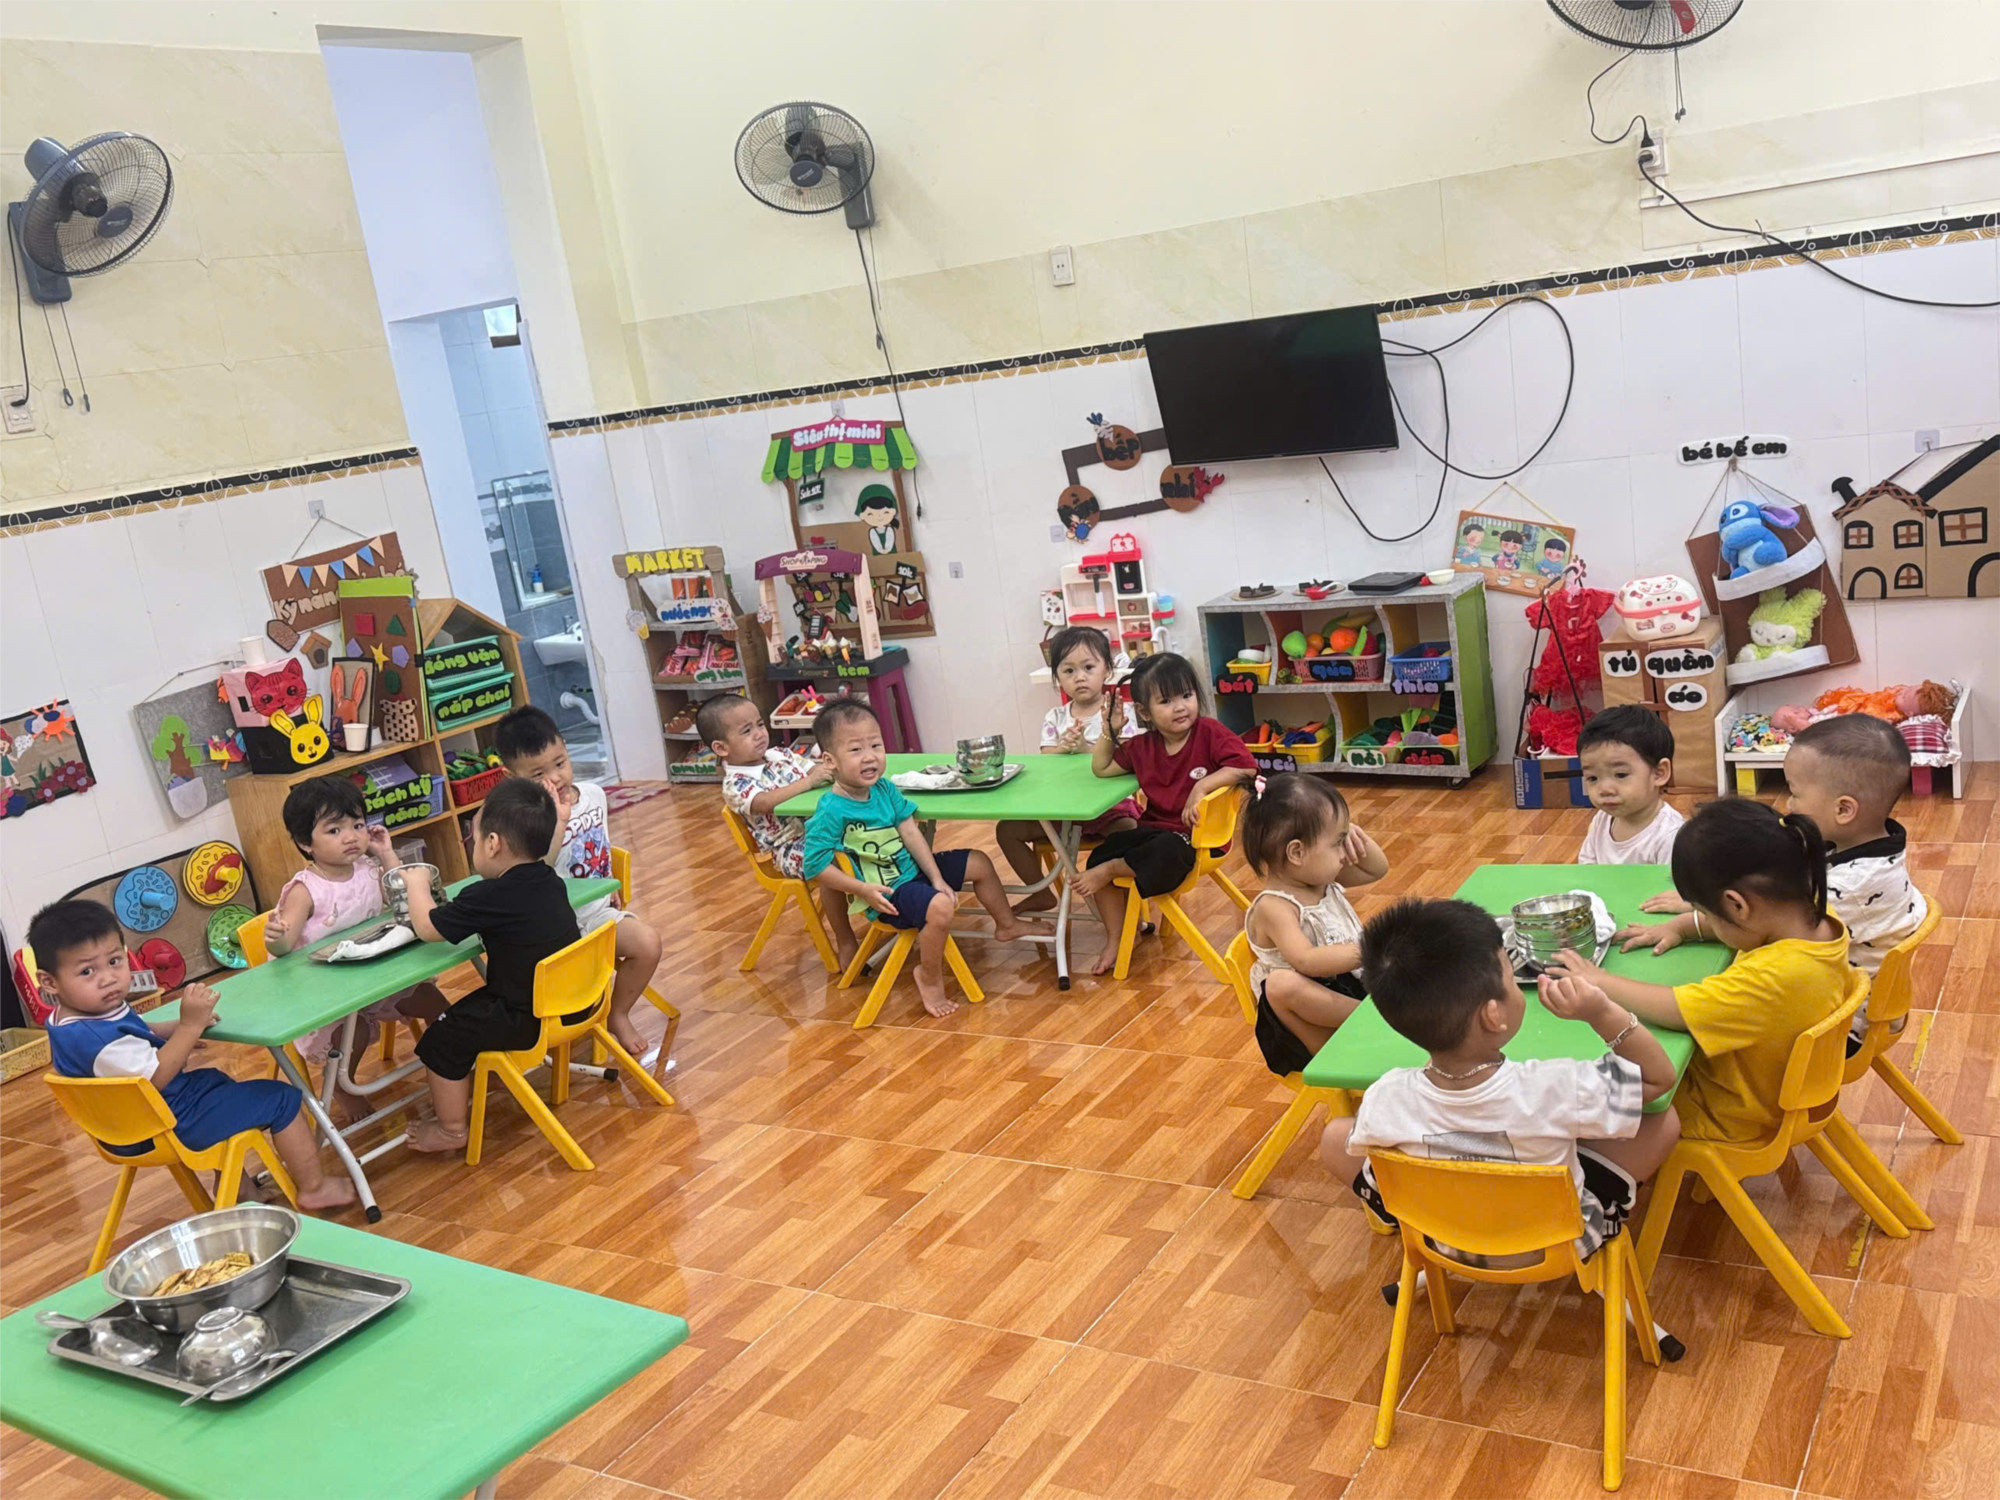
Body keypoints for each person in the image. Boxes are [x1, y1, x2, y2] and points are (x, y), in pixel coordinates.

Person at [1320, 897, 1678, 1263]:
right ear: (1493, 1015)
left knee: (1336, 1136)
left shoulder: (1384, 1097)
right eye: (1511, 977)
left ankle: (1413, 1216)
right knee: (1663, 1121)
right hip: (1555, 1248)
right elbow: (1657, 1079)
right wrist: (1602, 1013)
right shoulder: (1557, 1087)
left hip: (1445, 1241)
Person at [1547, 798, 1848, 1145]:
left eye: (1707, 913)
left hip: (1726, 1112)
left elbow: (1676, 1009)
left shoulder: (1774, 978)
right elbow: (1749, 923)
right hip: (1772, 1091)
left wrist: (1600, 981)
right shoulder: (1816, 919)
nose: (1708, 921)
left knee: (1583, 1098)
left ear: (1736, 905)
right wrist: (1682, 926)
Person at [1623, 713, 1925, 1048]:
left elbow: (1762, 916)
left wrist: (1692, 918)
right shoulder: (1871, 844)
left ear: (1844, 810)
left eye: (1795, 793)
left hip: (1839, 1030)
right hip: (1850, 996)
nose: (1788, 805)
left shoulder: (1847, 890)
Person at [34, 898, 355, 1211]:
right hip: (166, 1125)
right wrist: (189, 1027)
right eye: (87, 972)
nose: (108, 978)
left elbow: (136, 1030)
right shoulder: (96, 1039)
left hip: (133, 1124)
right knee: (283, 1098)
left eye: (115, 961)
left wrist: (175, 1029)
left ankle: (240, 1190)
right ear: (49, 982)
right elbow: (157, 1077)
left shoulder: (73, 1017)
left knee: (215, 1081)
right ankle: (314, 1188)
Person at [801, 699, 1031, 1018]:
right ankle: (930, 977)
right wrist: (861, 889)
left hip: (912, 874)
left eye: (876, 745)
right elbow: (814, 867)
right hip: (887, 894)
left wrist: (936, 877)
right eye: (855, 750)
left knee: (978, 861)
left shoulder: (883, 789)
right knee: (940, 907)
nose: (869, 756)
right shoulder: (830, 810)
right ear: (830, 760)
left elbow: (910, 832)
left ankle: (1007, 925)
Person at [389, 779, 583, 1154]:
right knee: (465, 1017)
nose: (472, 846)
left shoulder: (488, 895)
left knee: (441, 1038)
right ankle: (476, 1079)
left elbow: (428, 928)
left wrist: (415, 882)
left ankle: (451, 1130)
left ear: (493, 844)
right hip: (573, 1003)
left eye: (473, 839)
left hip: (526, 1018)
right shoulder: (548, 878)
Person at [265, 774, 447, 1120]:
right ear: (305, 843)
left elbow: (403, 896)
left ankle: (451, 1059)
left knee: (434, 1002)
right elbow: (284, 947)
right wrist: (276, 937)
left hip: (376, 979)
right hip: (327, 996)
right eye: (334, 830)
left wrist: (387, 853)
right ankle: (341, 1086)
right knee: (356, 1032)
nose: (351, 836)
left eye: (358, 825)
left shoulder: (368, 869)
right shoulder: (306, 890)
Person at [493, 706, 663, 1057]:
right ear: (511, 778)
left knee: (648, 944)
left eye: (559, 763)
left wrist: (608, 881)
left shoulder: (594, 795)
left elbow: (599, 843)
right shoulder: (522, 822)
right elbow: (536, 870)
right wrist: (555, 822)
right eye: (538, 774)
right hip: (552, 931)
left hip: (596, 915)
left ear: (567, 751)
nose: (555, 778)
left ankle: (618, 1013)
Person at [1076, 652, 1257, 976]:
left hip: (1198, 841)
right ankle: (1116, 938)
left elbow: (1247, 768)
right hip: (1155, 834)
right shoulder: (1142, 746)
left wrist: (1201, 787)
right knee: (1101, 854)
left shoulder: (1210, 732)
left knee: (1164, 852)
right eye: (1166, 701)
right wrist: (1108, 728)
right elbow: (1101, 768)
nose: (1180, 707)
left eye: (1186, 695)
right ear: (1144, 712)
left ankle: (1114, 869)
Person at [1240, 775, 1388, 1075]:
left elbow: (1377, 870)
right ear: (1297, 853)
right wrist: (1368, 949)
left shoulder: (1321, 878)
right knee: (1280, 985)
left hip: (1348, 990)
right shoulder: (1274, 907)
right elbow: (1306, 961)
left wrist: (1352, 833)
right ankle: (1382, 1019)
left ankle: (1383, 1017)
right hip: (1312, 1032)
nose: (1344, 852)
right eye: (1337, 844)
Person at [704, 691, 858, 968]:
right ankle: (846, 940)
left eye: (760, 724)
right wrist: (807, 783)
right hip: (789, 848)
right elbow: (764, 802)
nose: (759, 734)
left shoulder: (780, 755)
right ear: (721, 748)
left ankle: (898, 908)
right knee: (828, 862)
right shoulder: (735, 783)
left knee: (877, 834)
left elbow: (814, 769)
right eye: (747, 731)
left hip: (823, 828)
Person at [996, 625, 1141, 915]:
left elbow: (1128, 757)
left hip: (1108, 809)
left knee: (1131, 830)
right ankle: (1040, 892)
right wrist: (1062, 748)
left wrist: (1087, 749)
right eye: (1069, 671)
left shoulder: (1119, 713)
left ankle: (1125, 904)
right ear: (1057, 678)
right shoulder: (1055, 717)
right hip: (1061, 812)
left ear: (1107, 669)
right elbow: (1046, 760)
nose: (1080, 677)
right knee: (1006, 829)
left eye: (1088, 667)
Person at [1575, 705, 1685, 865]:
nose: (1605, 789)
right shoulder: (1602, 820)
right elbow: (1587, 867)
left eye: (1620, 775)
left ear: (1659, 773)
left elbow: (1673, 881)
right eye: (1592, 778)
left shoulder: (1671, 835)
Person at [856, 483, 901, 554]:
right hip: (877, 558)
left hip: (893, 555)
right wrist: (880, 550)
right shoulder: (872, 531)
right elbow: (875, 541)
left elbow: (890, 539)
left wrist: (887, 549)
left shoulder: (889, 529)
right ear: (863, 515)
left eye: (885, 512)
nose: (879, 516)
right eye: (870, 514)